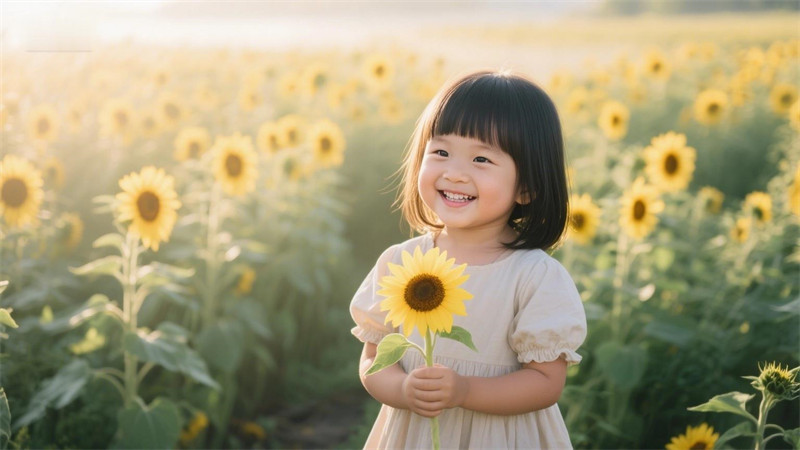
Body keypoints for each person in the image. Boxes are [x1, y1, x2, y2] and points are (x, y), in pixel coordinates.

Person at [349, 69, 587, 449]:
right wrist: (403, 388)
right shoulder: (401, 263)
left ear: (526, 186)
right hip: (417, 436)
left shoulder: (534, 276)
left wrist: (464, 391)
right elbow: (375, 358)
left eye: (481, 159)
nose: (455, 173)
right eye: (440, 152)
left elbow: (545, 382)